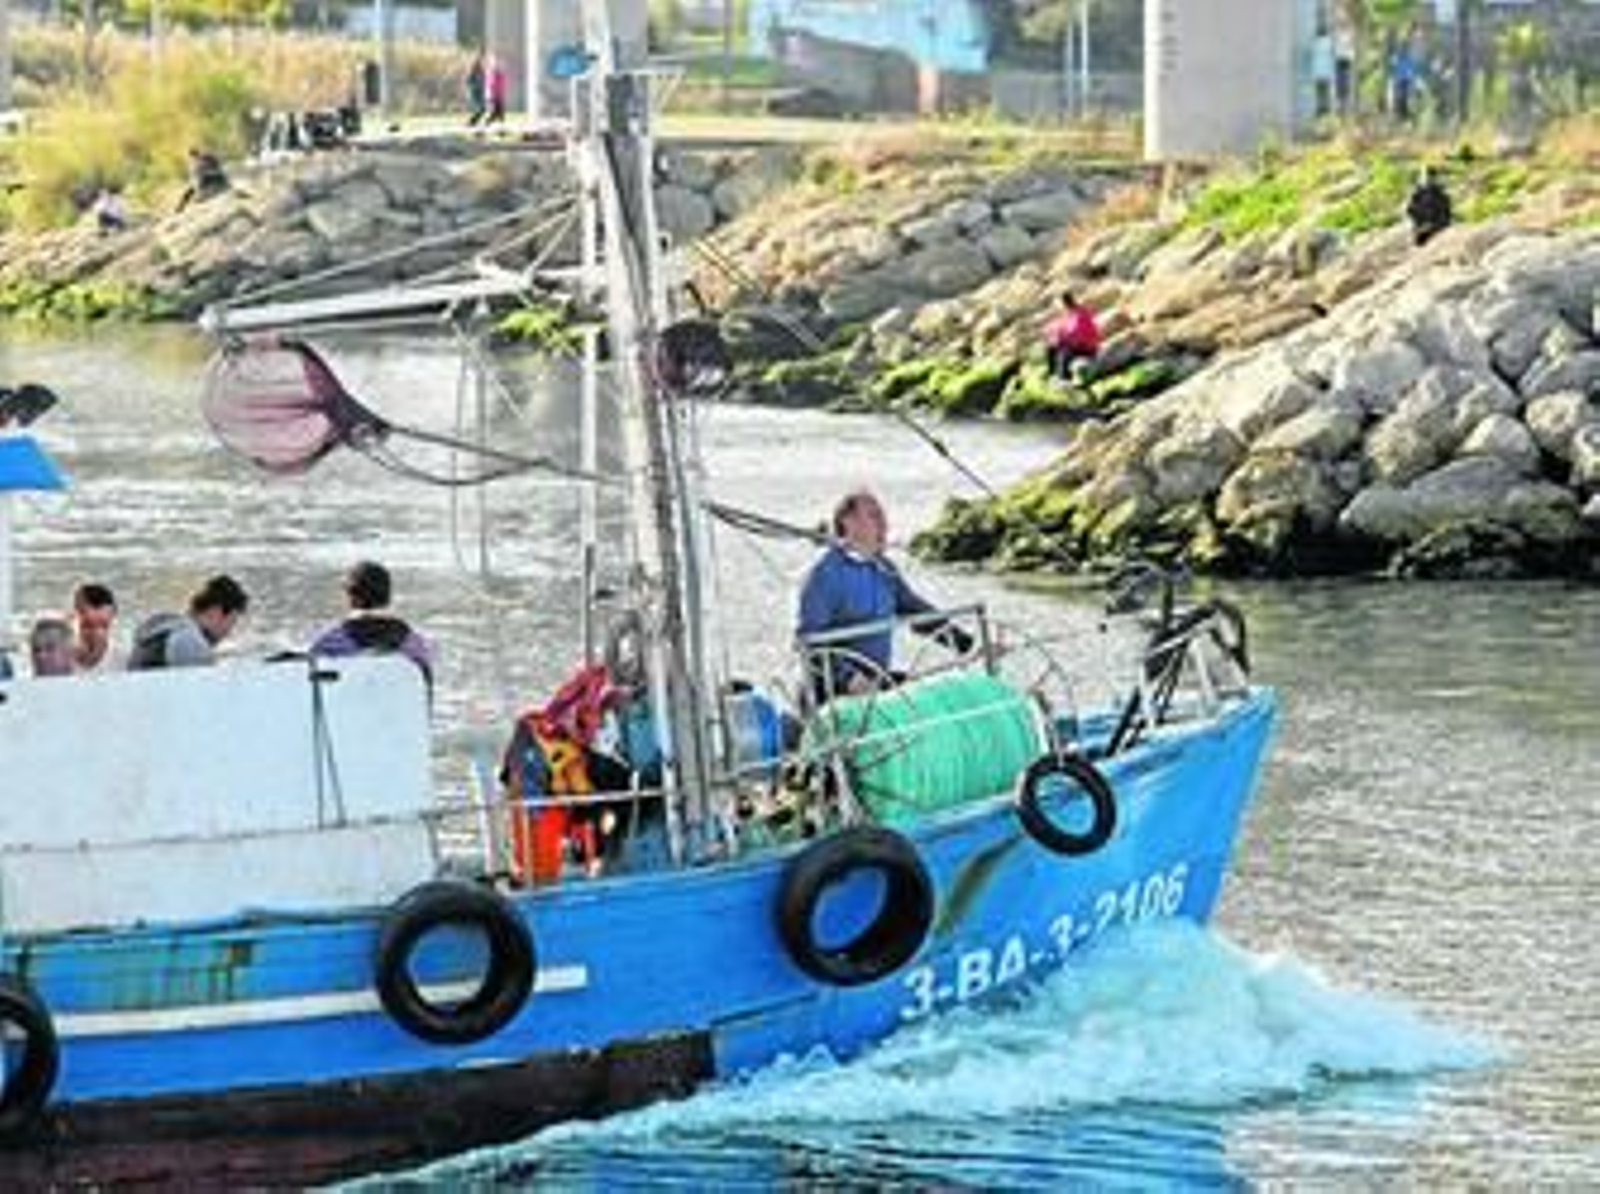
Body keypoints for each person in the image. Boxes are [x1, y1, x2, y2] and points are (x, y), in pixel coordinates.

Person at [796, 489, 972, 700]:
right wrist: (849, 678)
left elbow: (915, 611)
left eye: (883, 516)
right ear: (848, 521)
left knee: (933, 696)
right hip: (831, 695)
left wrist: (964, 643)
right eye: (874, 515)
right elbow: (808, 641)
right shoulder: (824, 574)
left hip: (876, 683)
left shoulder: (884, 568)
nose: (884, 524)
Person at [309, 561, 433, 689]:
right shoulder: (415, 644)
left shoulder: (328, 643)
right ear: (388, 597)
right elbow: (426, 690)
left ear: (352, 598)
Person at [127, 574, 250, 671]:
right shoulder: (190, 641)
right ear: (216, 612)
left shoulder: (161, 630)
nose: (228, 632)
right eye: (231, 622)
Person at [1043, 291, 1102, 383]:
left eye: (1058, 304)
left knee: (1064, 352)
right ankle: (1053, 374)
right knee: (1051, 348)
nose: (1057, 307)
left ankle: (1064, 378)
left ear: (1065, 303)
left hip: (1088, 347)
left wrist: (1061, 337)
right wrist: (1052, 331)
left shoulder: (1079, 314)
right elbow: (1060, 327)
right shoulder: (1069, 313)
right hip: (1078, 344)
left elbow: (1075, 333)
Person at [73, 582, 118, 672]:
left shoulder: (122, 660)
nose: (95, 634)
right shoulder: (60, 658)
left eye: (103, 626)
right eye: (87, 626)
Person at [1406, 167, 1453, 247]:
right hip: (1426, 225)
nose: (1429, 179)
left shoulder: (1439, 193)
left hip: (1436, 225)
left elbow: (1446, 210)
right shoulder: (1418, 193)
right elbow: (1410, 210)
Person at [176, 148, 229, 213]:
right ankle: (180, 207)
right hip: (210, 178)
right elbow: (195, 178)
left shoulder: (204, 159)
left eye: (193, 157)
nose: (193, 159)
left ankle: (181, 206)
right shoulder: (197, 162)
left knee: (191, 190)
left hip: (212, 178)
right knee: (190, 190)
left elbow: (215, 167)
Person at [465, 51, 487, 126]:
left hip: (480, 91)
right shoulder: (473, 71)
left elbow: (484, 80)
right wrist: (472, 87)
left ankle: (472, 122)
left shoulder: (481, 71)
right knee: (481, 109)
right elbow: (468, 81)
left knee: (483, 109)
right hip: (475, 91)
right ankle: (471, 122)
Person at [484, 56, 508, 126]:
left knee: (500, 114)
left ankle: (502, 131)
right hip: (493, 96)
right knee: (495, 113)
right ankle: (485, 126)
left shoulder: (500, 73)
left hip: (499, 96)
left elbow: (502, 85)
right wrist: (492, 95)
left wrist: (502, 93)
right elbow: (491, 84)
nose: (502, 66)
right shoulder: (492, 72)